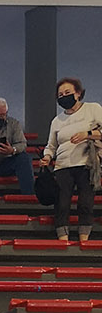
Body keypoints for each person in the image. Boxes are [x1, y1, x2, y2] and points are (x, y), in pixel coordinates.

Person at [39, 76, 102, 246]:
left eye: (67, 92)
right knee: (62, 203)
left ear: (78, 93)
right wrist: (47, 157)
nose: (64, 96)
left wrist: (87, 135)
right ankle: (63, 239)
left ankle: (84, 239)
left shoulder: (93, 109)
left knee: (85, 202)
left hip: (86, 163)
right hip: (63, 165)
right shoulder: (57, 121)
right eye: (60, 95)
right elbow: (51, 145)